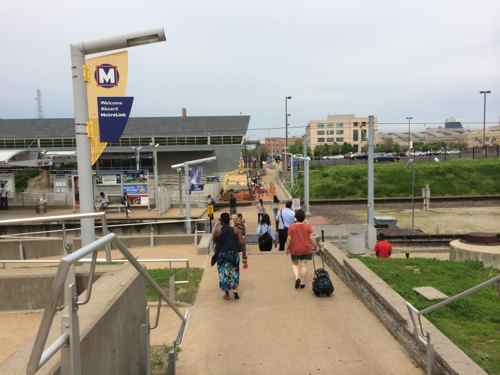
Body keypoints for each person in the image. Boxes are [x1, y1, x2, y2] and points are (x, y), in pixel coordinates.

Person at [212, 212, 245, 300]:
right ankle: (235, 291)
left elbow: (214, 240)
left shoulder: (218, 231)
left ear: (221, 221)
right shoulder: (236, 230)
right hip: (234, 253)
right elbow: (242, 242)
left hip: (223, 254)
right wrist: (244, 257)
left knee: (223, 273)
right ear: (229, 221)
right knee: (234, 271)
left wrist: (216, 225)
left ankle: (227, 294)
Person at [286, 209, 317, 289]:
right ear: (304, 217)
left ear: (295, 218)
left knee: (295, 264)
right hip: (306, 249)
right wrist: (315, 246)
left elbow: (289, 239)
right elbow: (311, 238)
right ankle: (302, 282)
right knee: (304, 264)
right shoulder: (308, 226)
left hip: (295, 249)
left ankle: (297, 278)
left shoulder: (291, 227)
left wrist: (287, 248)